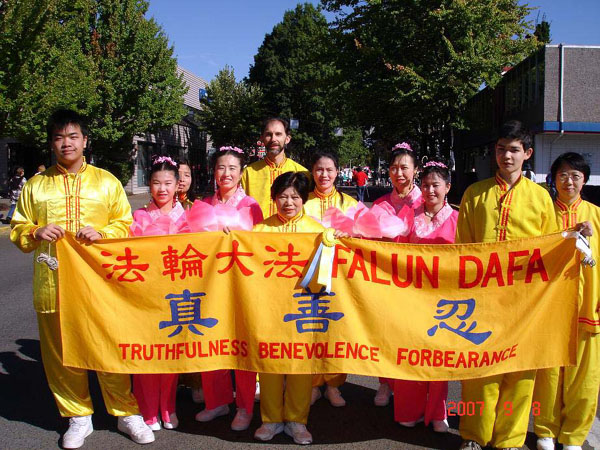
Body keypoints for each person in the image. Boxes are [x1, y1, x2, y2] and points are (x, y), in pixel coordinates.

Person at [10, 109, 154, 448]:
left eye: (73, 136)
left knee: (109, 346)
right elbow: (18, 227)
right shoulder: (36, 186)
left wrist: (104, 233)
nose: (67, 143)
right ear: (52, 143)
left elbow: (125, 223)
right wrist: (35, 231)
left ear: (85, 141)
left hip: (100, 284)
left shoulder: (106, 182)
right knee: (62, 353)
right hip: (54, 282)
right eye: (59, 137)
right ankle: (77, 416)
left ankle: (125, 412)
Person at [456, 120, 557, 450]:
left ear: (527, 153)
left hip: (525, 302)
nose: (506, 156)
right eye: (501, 149)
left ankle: (510, 439)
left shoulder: (541, 198)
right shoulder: (475, 194)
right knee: (479, 370)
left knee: (520, 372)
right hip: (483, 301)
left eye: (514, 150)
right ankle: (474, 435)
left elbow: (551, 249)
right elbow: (462, 250)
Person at [533, 152, 599, 450]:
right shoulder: (543, 213)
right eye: (563, 175)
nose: (568, 181)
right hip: (550, 305)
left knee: (584, 375)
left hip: (588, 304)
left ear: (584, 180)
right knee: (547, 372)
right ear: (553, 179)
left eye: (575, 176)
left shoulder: (596, 215)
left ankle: (574, 435)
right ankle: (545, 429)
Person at [194, 146, 263, 431]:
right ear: (214, 171)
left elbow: (260, 246)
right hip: (210, 283)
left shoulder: (251, 205)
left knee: (241, 345)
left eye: (232, 168)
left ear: (241, 172)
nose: (226, 173)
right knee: (211, 341)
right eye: (221, 167)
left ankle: (244, 406)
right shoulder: (203, 204)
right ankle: (216, 401)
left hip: (241, 283)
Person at [252, 172, 323, 445]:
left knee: (300, 365)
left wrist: (338, 238)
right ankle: (270, 419)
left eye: (295, 197)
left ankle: (297, 420)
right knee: (269, 364)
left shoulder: (317, 231)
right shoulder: (259, 231)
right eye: (282, 196)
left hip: (303, 308)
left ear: (304, 199)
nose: (289, 202)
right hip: (269, 309)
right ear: (274, 199)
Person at [394, 161, 457, 433]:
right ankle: (409, 408)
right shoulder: (408, 215)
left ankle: (437, 410)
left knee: (439, 356)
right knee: (410, 354)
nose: (430, 190)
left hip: (444, 298)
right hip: (412, 296)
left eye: (436, 185)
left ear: (447, 187)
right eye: (426, 185)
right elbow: (393, 251)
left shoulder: (458, 219)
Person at [131, 156, 189, 432]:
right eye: (156, 183)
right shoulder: (139, 216)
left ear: (178, 185)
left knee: (171, 353)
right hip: (147, 294)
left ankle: (168, 407)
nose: (162, 189)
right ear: (149, 185)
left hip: (177, 293)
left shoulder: (188, 216)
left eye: (168, 183)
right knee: (146, 352)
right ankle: (147, 408)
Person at [304, 151, 357, 408]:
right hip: (310, 274)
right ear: (312, 172)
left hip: (342, 276)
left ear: (337, 172)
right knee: (311, 327)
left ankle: (335, 384)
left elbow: (362, 234)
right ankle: (313, 383)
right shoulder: (303, 201)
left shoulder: (350, 203)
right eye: (319, 169)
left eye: (329, 170)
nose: (324, 175)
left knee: (338, 328)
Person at [371, 142, 422, 407]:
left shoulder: (427, 203)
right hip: (386, 281)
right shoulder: (379, 205)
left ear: (416, 170)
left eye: (404, 167)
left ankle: (412, 384)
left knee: (414, 335)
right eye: (393, 168)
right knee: (386, 334)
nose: (398, 173)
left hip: (418, 283)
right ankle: (385, 382)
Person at [241, 118, 309, 218]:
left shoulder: (302, 172)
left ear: (287, 139)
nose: (273, 139)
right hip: (258, 227)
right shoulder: (248, 173)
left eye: (278, 134)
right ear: (262, 139)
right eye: (269, 134)